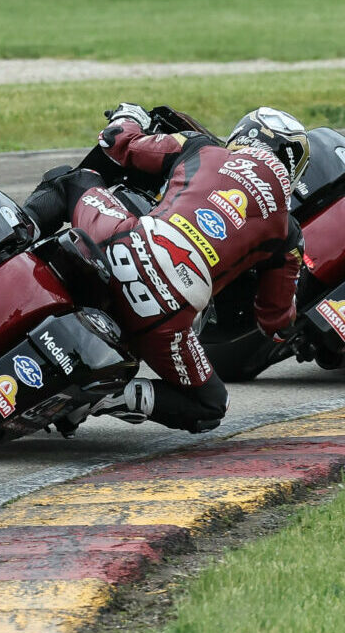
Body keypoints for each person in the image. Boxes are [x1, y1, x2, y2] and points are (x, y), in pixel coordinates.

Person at [20, 106, 308, 432]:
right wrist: (290, 327)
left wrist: (129, 117)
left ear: (241, 136)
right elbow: (275, 319)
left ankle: (11, 247)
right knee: (211, 405)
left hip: (120, 247)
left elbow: (119, 144)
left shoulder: (200, 147)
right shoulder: (288, 233)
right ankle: (103, 397)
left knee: (69, 181)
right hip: (165, 321)